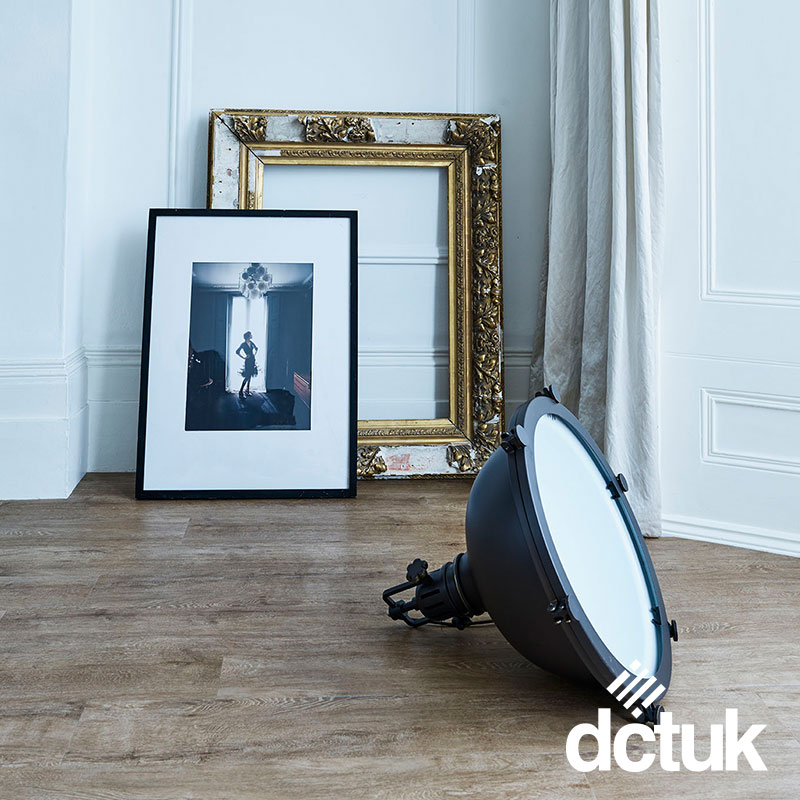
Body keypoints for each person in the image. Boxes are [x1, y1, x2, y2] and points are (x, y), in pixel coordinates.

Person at [235, 331, 258, 397]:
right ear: (248, 336)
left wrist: (254, 354)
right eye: (250, 335)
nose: (251, 335)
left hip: (252, 360)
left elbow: (256, 348)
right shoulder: (243, 344)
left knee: (250, 375)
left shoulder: (251, 342)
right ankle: (241, 391)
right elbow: (237, 351)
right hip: (248, 361)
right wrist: (244, 357)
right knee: (247, 376)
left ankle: (247, 390)